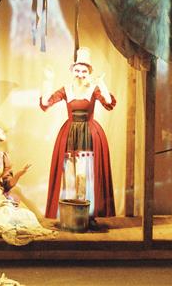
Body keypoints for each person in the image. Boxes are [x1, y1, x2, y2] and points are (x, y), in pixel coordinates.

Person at [40, 47, 116, 222]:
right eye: (77, 70)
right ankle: (70, 214)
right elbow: (46, 103)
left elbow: (109, 102)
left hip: (89, 133)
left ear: (89, 72)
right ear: (72, 71)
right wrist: (48, 81)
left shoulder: (94, 89)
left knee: (85, 174)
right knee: (69, 174)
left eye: (84, 71)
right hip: (70, 134)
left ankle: (87, 214)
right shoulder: (66, 89)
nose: (80, 74)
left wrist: (102, 84)